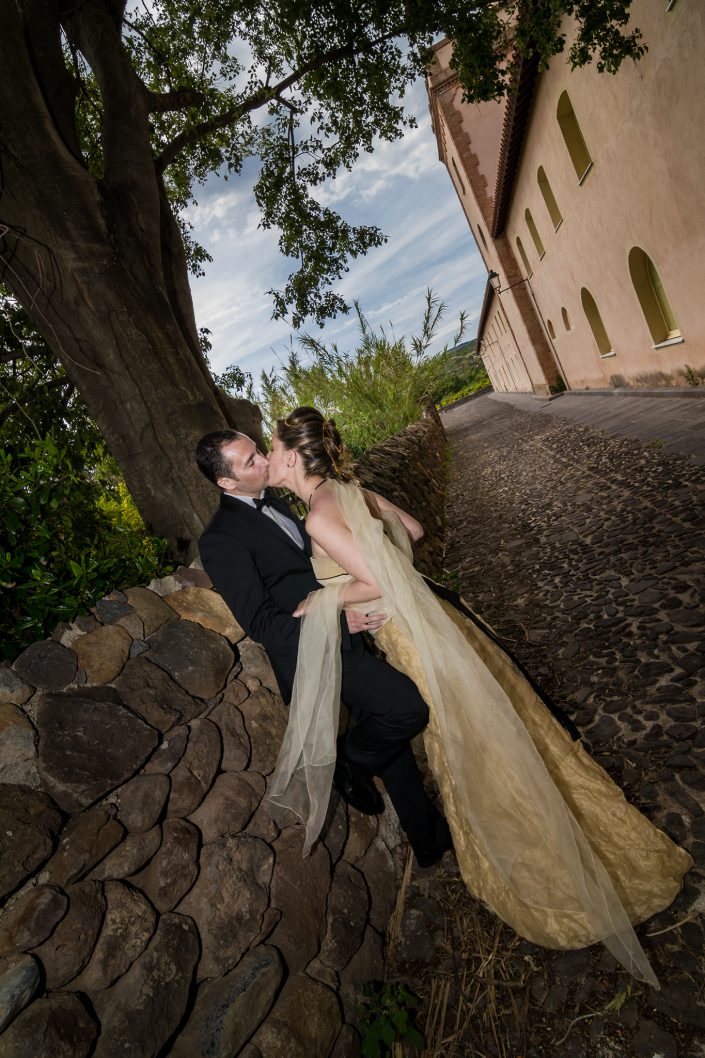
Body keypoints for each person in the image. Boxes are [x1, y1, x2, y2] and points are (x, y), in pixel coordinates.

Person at [265, 405, 693, 989]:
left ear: (292, 454)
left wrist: (327, 600)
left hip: (414, 640)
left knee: (478, 747)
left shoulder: (318, 517)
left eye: (270, 445)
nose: (268, 455)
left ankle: (553, 878)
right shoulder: (348, 490)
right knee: (504, 728)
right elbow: (411, 533)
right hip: (437, 622)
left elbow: (382, 580)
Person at [195, 428, 452, 867]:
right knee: (406, 708)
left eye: (259, 451)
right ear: (226, 483)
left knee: (393, 742)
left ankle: (426, 841)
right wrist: (333, 618)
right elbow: (261, 623)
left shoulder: (275, 501)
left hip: (349, 635)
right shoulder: (219, 539)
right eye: (250, 460)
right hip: (312, 655)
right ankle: (349, 762)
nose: (263, 460)